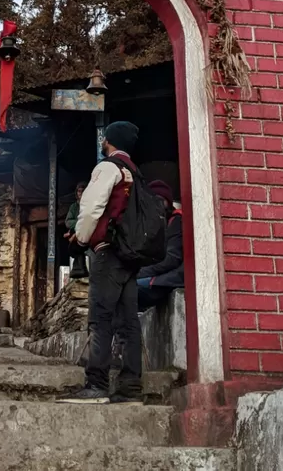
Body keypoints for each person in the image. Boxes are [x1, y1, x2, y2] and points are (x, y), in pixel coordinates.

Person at [58, 120, 143, 405]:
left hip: (107, 253)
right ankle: (130, 387)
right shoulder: (135, 173)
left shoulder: (108, 167)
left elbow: (91, 207)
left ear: (109, 141)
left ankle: (96, 385)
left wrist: (81, 238)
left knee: (100, 319)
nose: (102, 142)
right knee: (129, 322)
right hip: (131, 257)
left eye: (104, 139)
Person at [136, 180, 184, 311]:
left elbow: (172, 259)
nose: (157, 206)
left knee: (129, 292)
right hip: (159, 276)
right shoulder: (155, 227)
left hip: (171, 279)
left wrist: (138, 273)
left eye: (161, 201)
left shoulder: (176, 222)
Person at [64, 182, 88, 279]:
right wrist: (80, 223)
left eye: (83, 191)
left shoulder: (90, 205)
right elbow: (68, 222)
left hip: (88, 233)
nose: (80, 193)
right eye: (79, 191)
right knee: (74, 249)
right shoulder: (73, 207)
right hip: (76, 233)